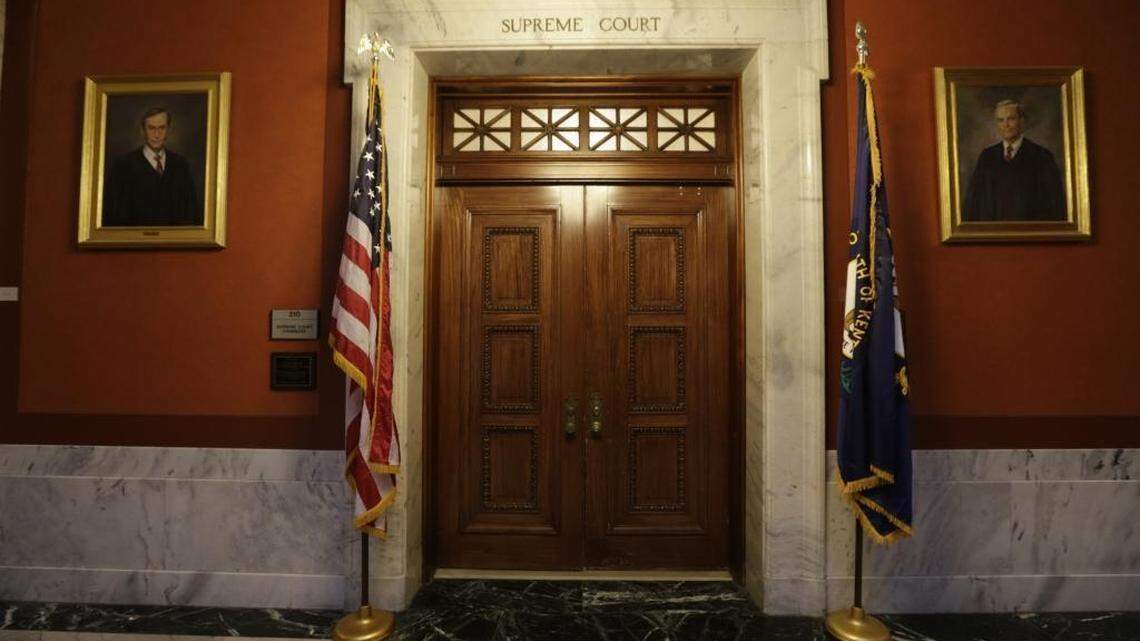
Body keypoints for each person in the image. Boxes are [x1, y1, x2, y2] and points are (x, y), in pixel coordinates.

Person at [963, 99, 1066, 222]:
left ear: (1022, 121)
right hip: (992, 234)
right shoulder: (987, 157)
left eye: (1011, 119)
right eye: (1000, 120)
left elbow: (1055, 206)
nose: (1005, 125)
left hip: (1029, 234)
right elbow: (974, 203)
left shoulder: (1042, 157)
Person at [102, 107, 200, 226]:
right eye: (151, 128)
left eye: (162, 128)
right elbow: (113, 212)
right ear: (143, 130)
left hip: (174, 240)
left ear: (168, 130)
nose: (157, 134)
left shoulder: (181, 164)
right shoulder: (123, 165)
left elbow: (191, 210)